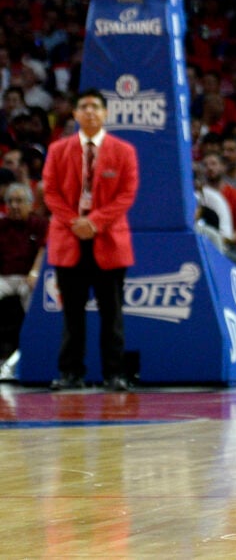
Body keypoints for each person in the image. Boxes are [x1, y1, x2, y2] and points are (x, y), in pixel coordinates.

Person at [41, 89, 139, 391]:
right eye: (83, 107)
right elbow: (50, 192)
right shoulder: (58, 150)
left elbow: (126, 194)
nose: (90, 111)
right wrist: (75, 222)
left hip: (108, 240)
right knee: (72, 314)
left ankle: (114, 374)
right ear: (74, 114)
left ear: (106, 113)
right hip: (69, 239)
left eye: (96, 107)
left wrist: (94, 222)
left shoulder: (123, 151)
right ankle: (70, 373)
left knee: (112, 314)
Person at [0, 182, 47, 376]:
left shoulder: (39, 224)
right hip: (4, 277)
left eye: (19, 201)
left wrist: (35, 272)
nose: (14, 206)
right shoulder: (2, 225)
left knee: (32, 294)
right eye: (10, 201)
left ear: (30, 204)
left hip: (28, 278)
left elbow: (44, 250)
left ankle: (31, 348)